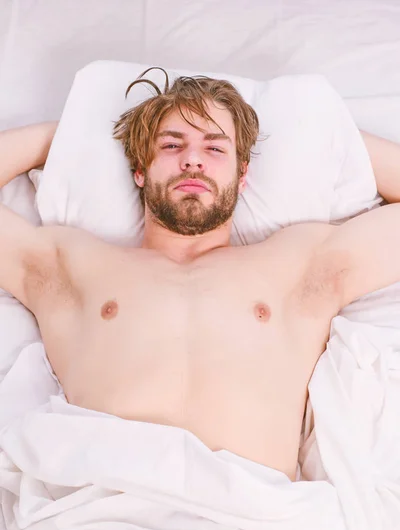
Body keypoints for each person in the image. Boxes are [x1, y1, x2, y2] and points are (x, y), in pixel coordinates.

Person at [0, 68, 399, 482]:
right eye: (172, 145)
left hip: (253, 527)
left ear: (243, 176)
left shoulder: (295, 266)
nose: (192, 159)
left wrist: (334, 141)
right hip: (105, 523)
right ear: (140, 170)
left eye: (215, 148)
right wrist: (61, 138)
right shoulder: (75, 265)